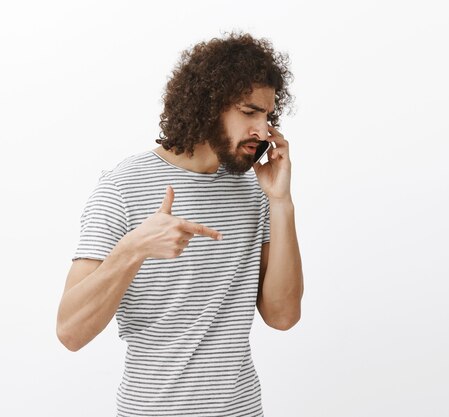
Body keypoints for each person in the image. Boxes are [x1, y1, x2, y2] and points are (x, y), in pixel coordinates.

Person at [56, 32, 304, 417]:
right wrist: (134, 248)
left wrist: (280, 201)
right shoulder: (122, 188)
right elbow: (70, 332)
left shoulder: (254, 189)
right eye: (249, 112)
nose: (263, 130)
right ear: (209, 105)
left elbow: (283, 316)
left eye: (268, 115)